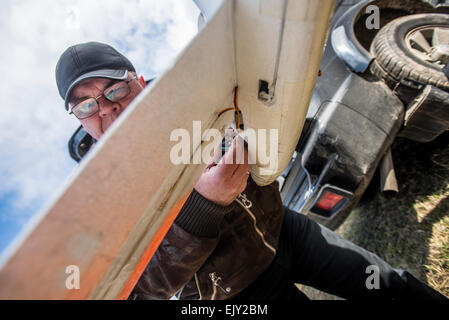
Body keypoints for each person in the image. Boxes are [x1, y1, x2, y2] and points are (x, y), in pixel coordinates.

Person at [56, 42, 446, 300]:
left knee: (391, 285)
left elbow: (259, 106)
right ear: (77, 118)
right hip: (229, 295)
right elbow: (141, 289)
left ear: (138, 82)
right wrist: (205, 206)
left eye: (114, 90)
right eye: (86, 106)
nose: (105, 108)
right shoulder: (101, 199)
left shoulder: (202, 97)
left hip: (285, 229)